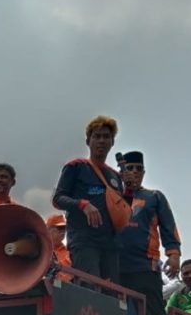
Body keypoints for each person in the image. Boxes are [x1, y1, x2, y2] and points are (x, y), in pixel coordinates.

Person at [117, 151, 181, 315]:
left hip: (146, 264)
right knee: (117, 312)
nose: (134, 172)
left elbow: (168, 226)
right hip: (115, 263)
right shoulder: (113, 194)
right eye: (129, 168)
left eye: (138, 168)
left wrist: (173, 254)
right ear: (121, 171)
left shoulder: (154, 196)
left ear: (143, 172)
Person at [52, 115, 132, 283]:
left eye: (106, 137)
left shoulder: (115, 176)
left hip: (110, 244)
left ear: (113, 142)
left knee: (112, 296)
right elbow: (58, 199)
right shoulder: (76, 167)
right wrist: (82, 204)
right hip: (84, 242)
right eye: (97, 136)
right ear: (88, 141)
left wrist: (129, 190)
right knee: (90, 292)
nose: (101, 141)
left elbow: (122, 209)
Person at [46, 214, 71, 281]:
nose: (63, 231)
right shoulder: (40, 250)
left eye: (64, 228)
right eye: (60, 228)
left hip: (60, 287)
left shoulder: (69, 253)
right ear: (48, 230)